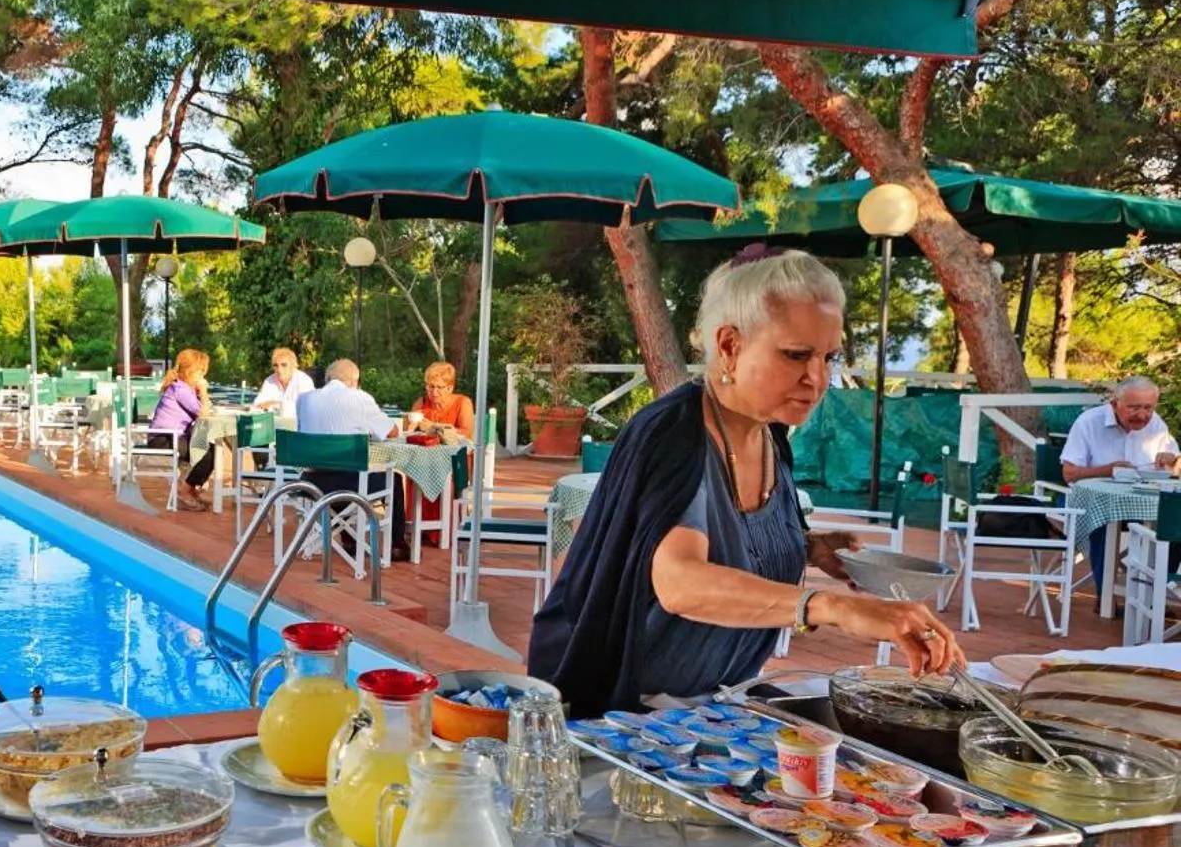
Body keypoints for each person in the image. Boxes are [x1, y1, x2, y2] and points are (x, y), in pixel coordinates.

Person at [527, 247, 961, 718]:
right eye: (796, 355)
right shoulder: (675, 432)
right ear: (731, 346)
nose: (817, 378)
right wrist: (834, 608)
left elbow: (723, 536)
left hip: (719, 704)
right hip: (623, 713)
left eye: (828, 357)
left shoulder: (769, 434)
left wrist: (808, 546)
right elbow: (679, 581)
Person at [293, 358, 409, 560]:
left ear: (328, 379)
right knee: (394, 479)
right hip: (349, 483)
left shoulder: (304, 400)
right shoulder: (360, 398)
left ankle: (349, 538)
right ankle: (397, 545)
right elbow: (391, 431)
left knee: (340, 471)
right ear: (354, 381)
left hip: (310, 481)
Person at [1060, 378, 1178, 481]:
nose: (1142, 415)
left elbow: (1177, 463)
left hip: (1146, 500)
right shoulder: (1088, 422)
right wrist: (1108, 471)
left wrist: (1172, 460)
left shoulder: (1155, 422)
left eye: (1148, 408)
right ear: (1114, 405)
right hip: (1099, 500)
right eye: (1134, 408)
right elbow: (1069, 474)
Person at [145, 347, 218, 510]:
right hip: (163, 439)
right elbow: (203, 412)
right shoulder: (180, 389)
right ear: (190, 371)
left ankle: (190, 491)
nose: (202, 377)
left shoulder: (186, 389)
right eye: (200, 372)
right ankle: (185, 491)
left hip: (173, 437)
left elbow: (202, 411)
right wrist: (204, 391)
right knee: (204, 452)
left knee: (212, 450)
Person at [406, 361, 475, 442]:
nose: (434, 392)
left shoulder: (462, 402)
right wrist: (410, 425)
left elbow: (466, 434)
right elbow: (407, 432)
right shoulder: (421, 402)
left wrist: (435, 428)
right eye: (431, 386)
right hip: (427, 452)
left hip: (456, 452)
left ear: (450, 388)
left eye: (439, 387)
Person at [253, 347, 315, 423]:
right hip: (274, 427)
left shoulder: (304, 380)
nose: (279, 369)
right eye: (275, 365)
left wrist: (276, 404)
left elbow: (307, 409)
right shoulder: (270, 380)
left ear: (293, 366)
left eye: (284, 365)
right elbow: (257, 404)